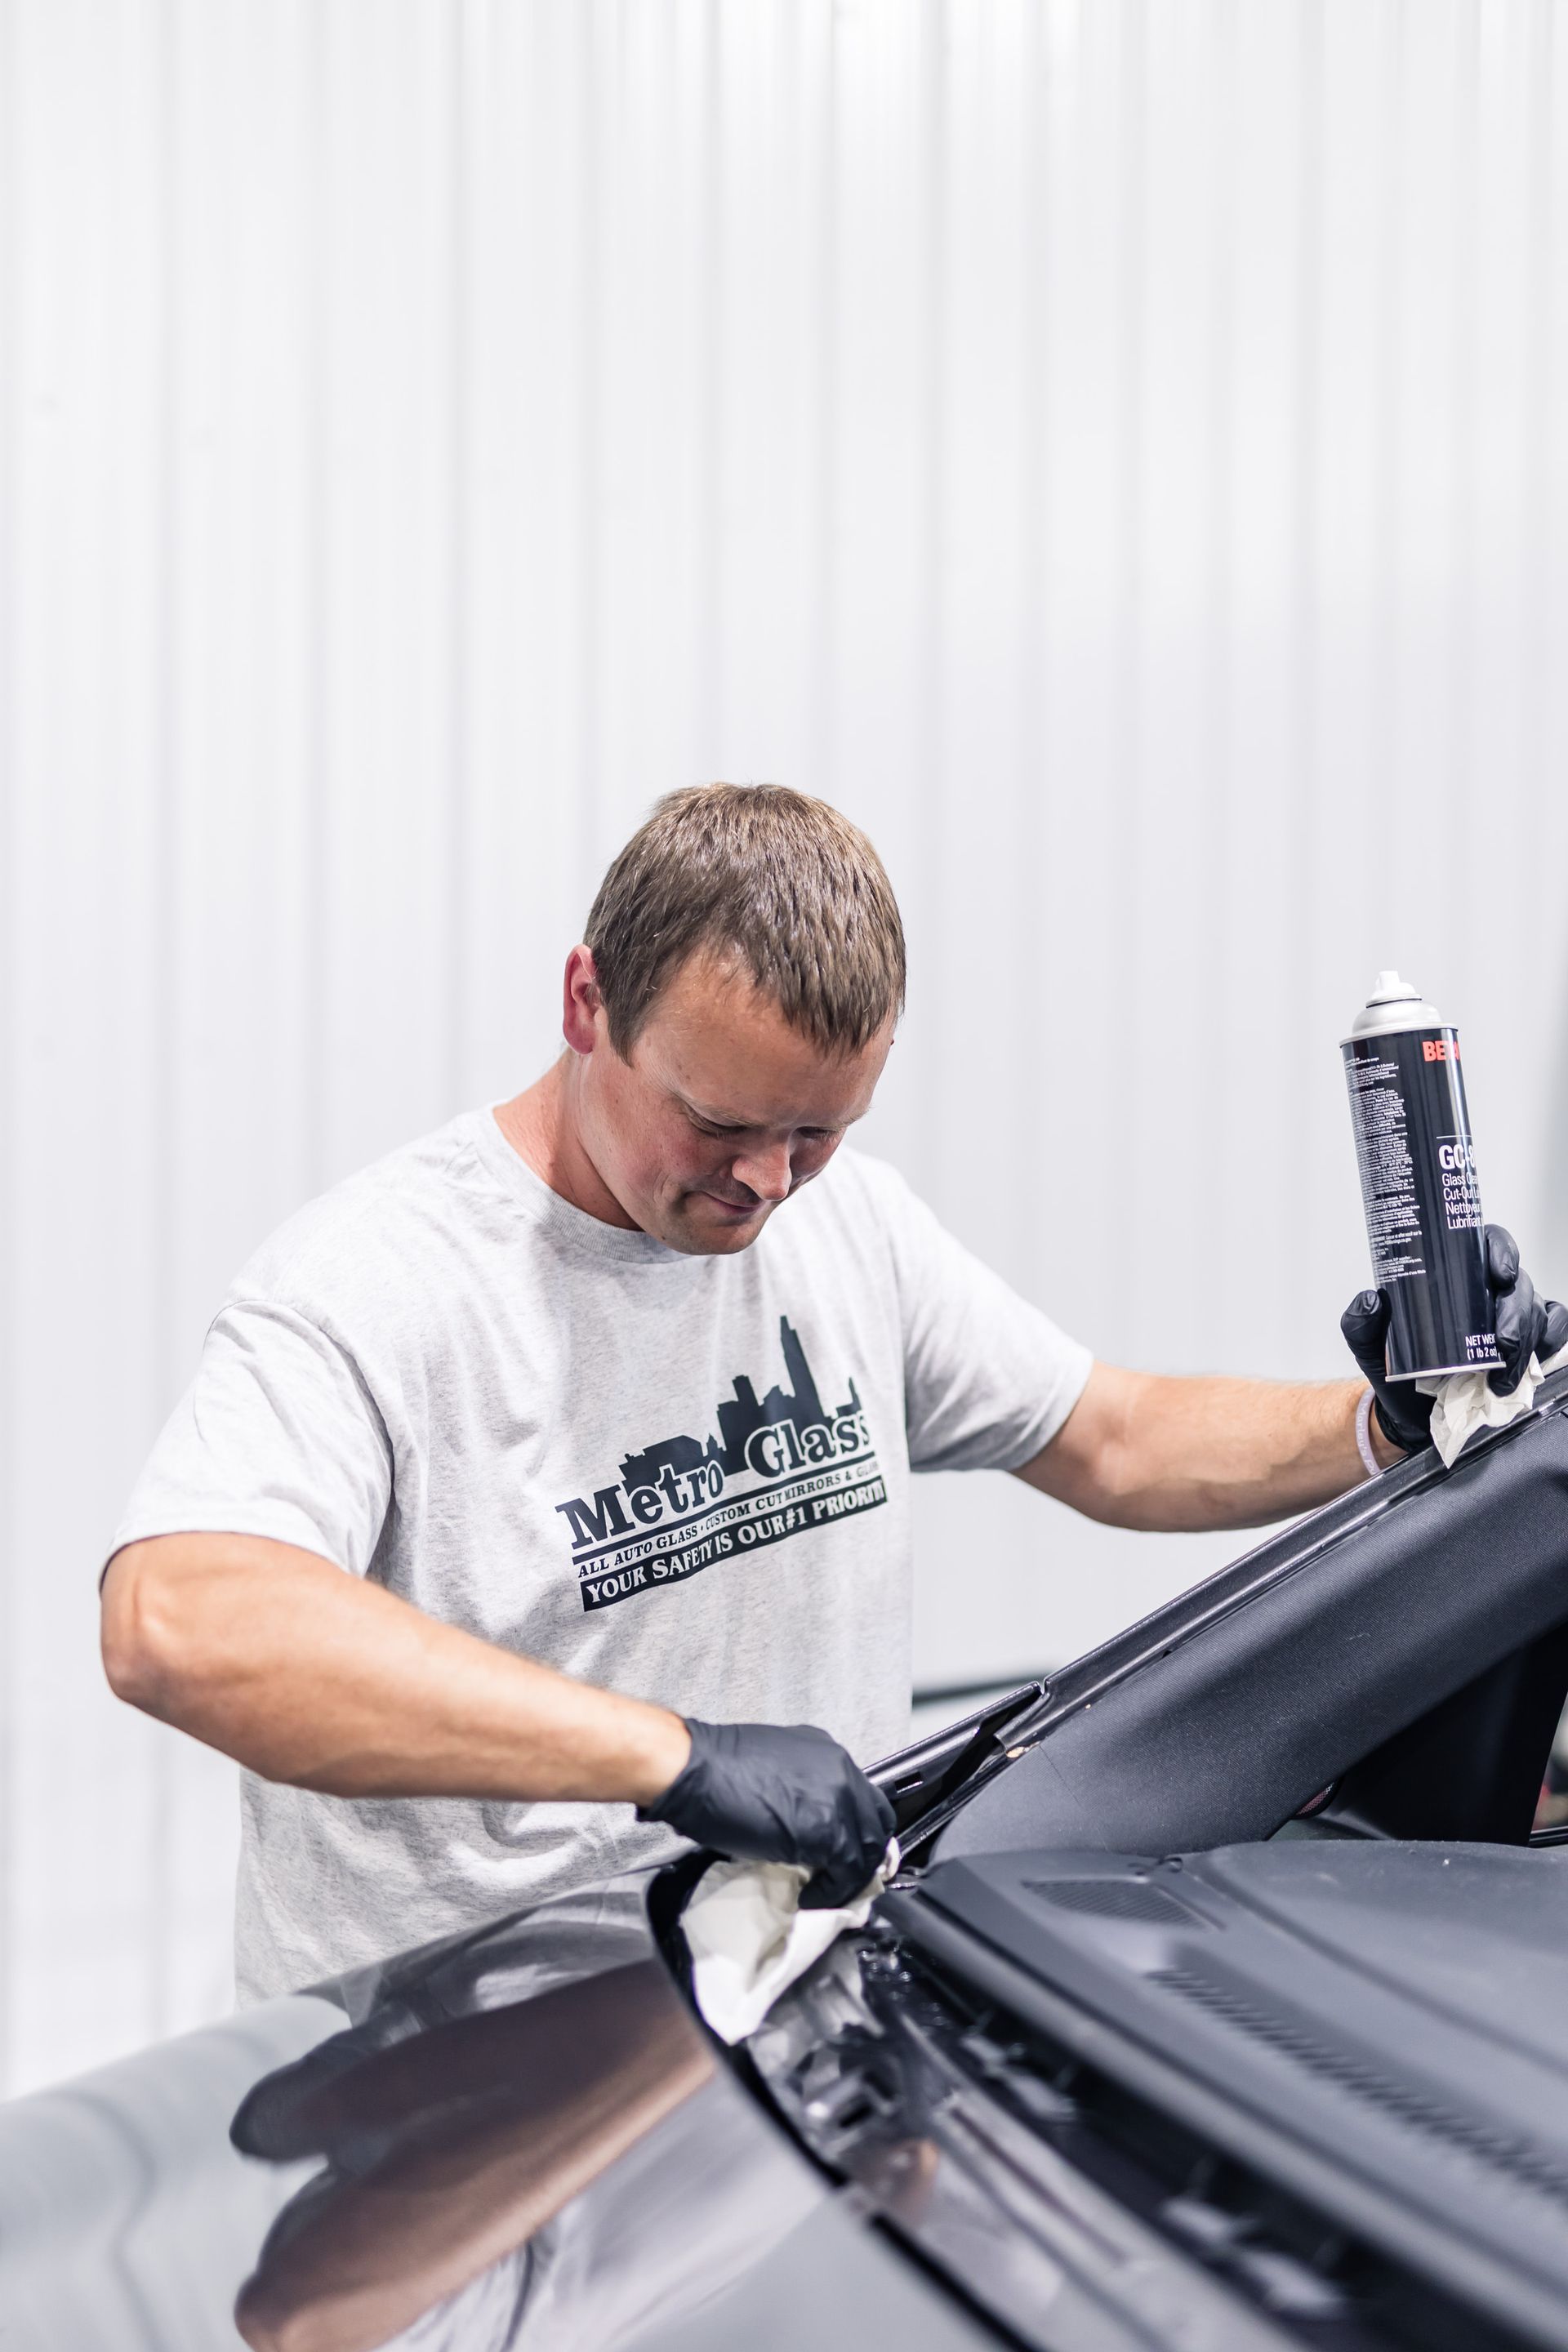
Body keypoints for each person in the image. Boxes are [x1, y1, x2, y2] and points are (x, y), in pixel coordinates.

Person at [99, 786, 1567, 2002]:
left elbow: (1111, 1438)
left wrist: (1378, 1425)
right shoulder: (383, 1282)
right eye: (720, 1120)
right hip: (448, 2108)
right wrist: (672, 1762)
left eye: (818, 1132)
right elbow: (183, 1622)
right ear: (585, 1002)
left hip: (774, 2045)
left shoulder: (848, 1230)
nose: (762, 1184)